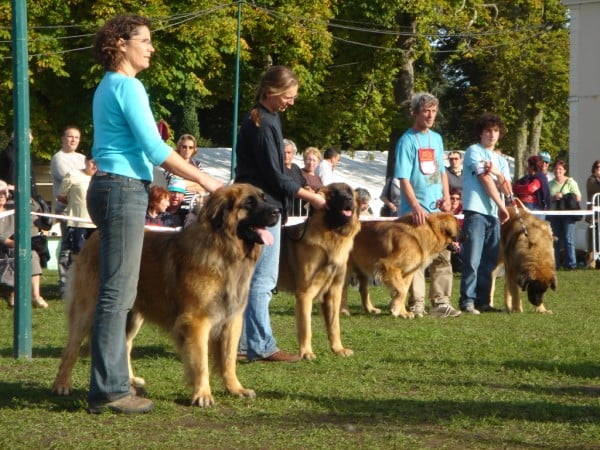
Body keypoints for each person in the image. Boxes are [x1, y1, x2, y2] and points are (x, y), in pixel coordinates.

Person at [86, 14, 222, 415]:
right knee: (118, 294)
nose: (151, 47)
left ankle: (109, 384)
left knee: (119, 292)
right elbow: (156, 149)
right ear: (121, 45)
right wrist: (210, 182)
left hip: (116, 187)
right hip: (121, 189)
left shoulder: (108, 86)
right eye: (144, 40)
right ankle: (109, 391)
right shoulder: (128, 85)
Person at [234, 64, 326, 363]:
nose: (292, 102)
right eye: (289, 96)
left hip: (258, 205)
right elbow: (275, 175)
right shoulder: (263, 124)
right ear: (272, 92)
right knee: (263, 279)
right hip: (264, 208)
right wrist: (311, 196)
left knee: (252, 279)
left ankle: (245, 343)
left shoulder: (262, 119)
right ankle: (260, 346)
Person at [393, 92, 461, 319]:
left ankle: (441, 302)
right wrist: (414, 206)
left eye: (433, 111)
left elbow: (442, 171)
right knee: (415, 259)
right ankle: (416, 304)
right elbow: (402, 178)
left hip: (438, 212)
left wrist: (447, 197)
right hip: (416, 213)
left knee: (442, 256)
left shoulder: (437, 139)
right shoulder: (406, 141)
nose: (431, 115)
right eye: (426, 111)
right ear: (415, 113)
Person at [459, 112, 512, 314]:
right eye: (488, 131)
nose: (492, 135)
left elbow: (508, 188)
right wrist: (501, 205)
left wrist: (497, 172)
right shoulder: (474, 151)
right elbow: (485, 179)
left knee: (489, 261)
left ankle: (483, 301)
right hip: (476, 211)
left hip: (493, 215)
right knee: (472, 259)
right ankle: (467, 300)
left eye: (496, 131)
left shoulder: (502, 161)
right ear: (481, 133)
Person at [0, 180, 49, 309]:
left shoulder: (12, 207)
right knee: (15, 255)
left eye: (4, 193)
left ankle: (36, 296)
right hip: (3, 248)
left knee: (31, 254)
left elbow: (34, 208)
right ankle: (13, 294)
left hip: (15, 245)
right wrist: (6, 241)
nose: (2, 196)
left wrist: (19, 192)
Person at [51, 126, 87, 293]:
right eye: (70, 137)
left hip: (85, 210)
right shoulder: (59, 158)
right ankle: (64, 283)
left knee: (85, 246)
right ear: (62, 138)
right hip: (67, 210)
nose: (73, 140)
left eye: (77, 137)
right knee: (68, 245)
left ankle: (80, 280)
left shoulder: (82, 157)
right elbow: (71, 179)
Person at [56, 155, 97, 266]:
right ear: (86, 161)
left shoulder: (102, 178)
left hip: (97, 223)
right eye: (93, 162)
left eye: (98, 162)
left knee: (96, 255)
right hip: (78, 223)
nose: (95, 165)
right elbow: (61, 196)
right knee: (78, 255)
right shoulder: (73, 175)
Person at [548, 160, 581, 270]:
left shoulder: (571, 182)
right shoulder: (550, 184)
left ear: (565, 170)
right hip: (554, 215)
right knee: (555, 239)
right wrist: (554, 198)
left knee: (568, 239)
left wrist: (564, 196)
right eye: (556, 169)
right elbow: (547, 200)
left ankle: (571, 264)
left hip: (568, 214)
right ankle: (555, 264)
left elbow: (578, 197)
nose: (558, 171)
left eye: (560, 169)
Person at [165, 134, 207, 209]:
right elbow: (175, 184)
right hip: (177, 207)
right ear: (179, 147)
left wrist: (183, 183)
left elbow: (204, 185)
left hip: (196, 206)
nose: (187, 150)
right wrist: (197, 182)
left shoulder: (197, 165)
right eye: (184, 147)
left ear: (194, 149)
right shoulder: (172, 163)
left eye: (191, 147)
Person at [283, 139, 307, 216]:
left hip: (296, 210)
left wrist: (308, 188)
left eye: (289, 152)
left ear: (293, 153)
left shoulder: (296, 167)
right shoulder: (278, 169)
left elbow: (303, 182)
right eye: (283, 152)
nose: (286, 155)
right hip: (284, 209)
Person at [585, 160, 600, 267]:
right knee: (594, 238)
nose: (599, 169)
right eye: (598, 167)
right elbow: (595, 190)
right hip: (595, 215)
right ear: (594, 169)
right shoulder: (591, 180)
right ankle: (592, 262)